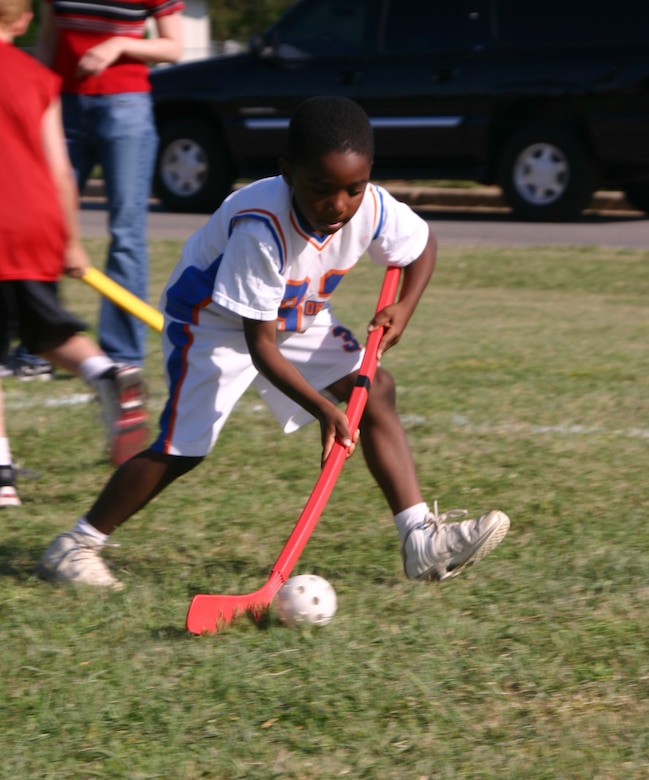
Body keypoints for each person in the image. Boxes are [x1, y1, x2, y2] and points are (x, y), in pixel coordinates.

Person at [38, 96, 510, 590]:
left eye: (353, 188)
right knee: (184, 448)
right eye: (321, 189)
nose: (338, 205)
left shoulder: (371, 206)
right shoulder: (259, 229)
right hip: (213, 324)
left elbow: (421, 245)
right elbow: (260, 346)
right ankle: (76, 544)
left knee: (375, 389)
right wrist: (323, 409)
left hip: (294, 314)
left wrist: (405, 307)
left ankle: (420, 540)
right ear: (287, 171)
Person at [0, 0, 149, 472]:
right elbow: (62, 169)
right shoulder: (39, 78)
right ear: (24, 21)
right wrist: (69, 238)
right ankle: (106, 371)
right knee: (44, 329)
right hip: (39, 220)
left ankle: (0, 471)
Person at [35, 0, 184, 368]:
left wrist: (118, 45)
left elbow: (173, 47)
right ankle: (36, 347)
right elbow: (47, 41)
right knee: (43, 226)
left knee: (126, 234)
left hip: (126, 107)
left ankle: (121, 354)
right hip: (61, 104)